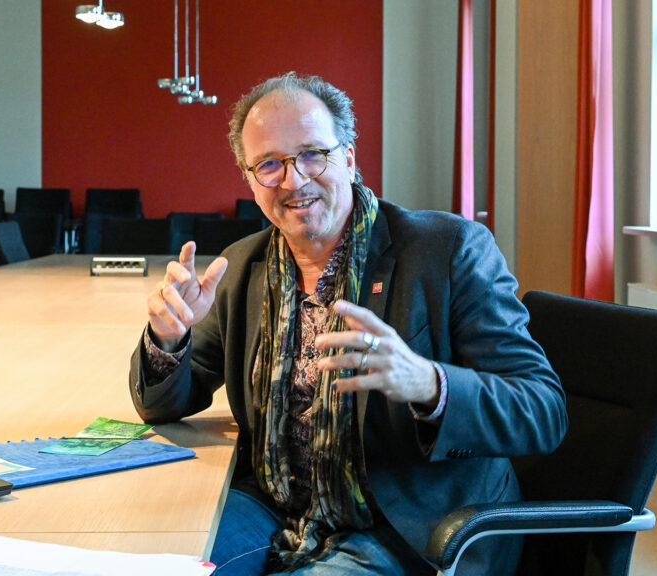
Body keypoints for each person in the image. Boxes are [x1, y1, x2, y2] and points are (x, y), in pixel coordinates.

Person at [129, 72, 567, 575]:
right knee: (155, 566)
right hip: (275, 508)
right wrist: (168, 339)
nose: (293, 181)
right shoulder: (241, 267)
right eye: (269, 165)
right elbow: (163, 405)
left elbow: (541, 410)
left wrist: (428, 383)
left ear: (350, 158)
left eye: (313, 154)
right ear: (250, 181)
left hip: (403, 524)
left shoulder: (447, 251)